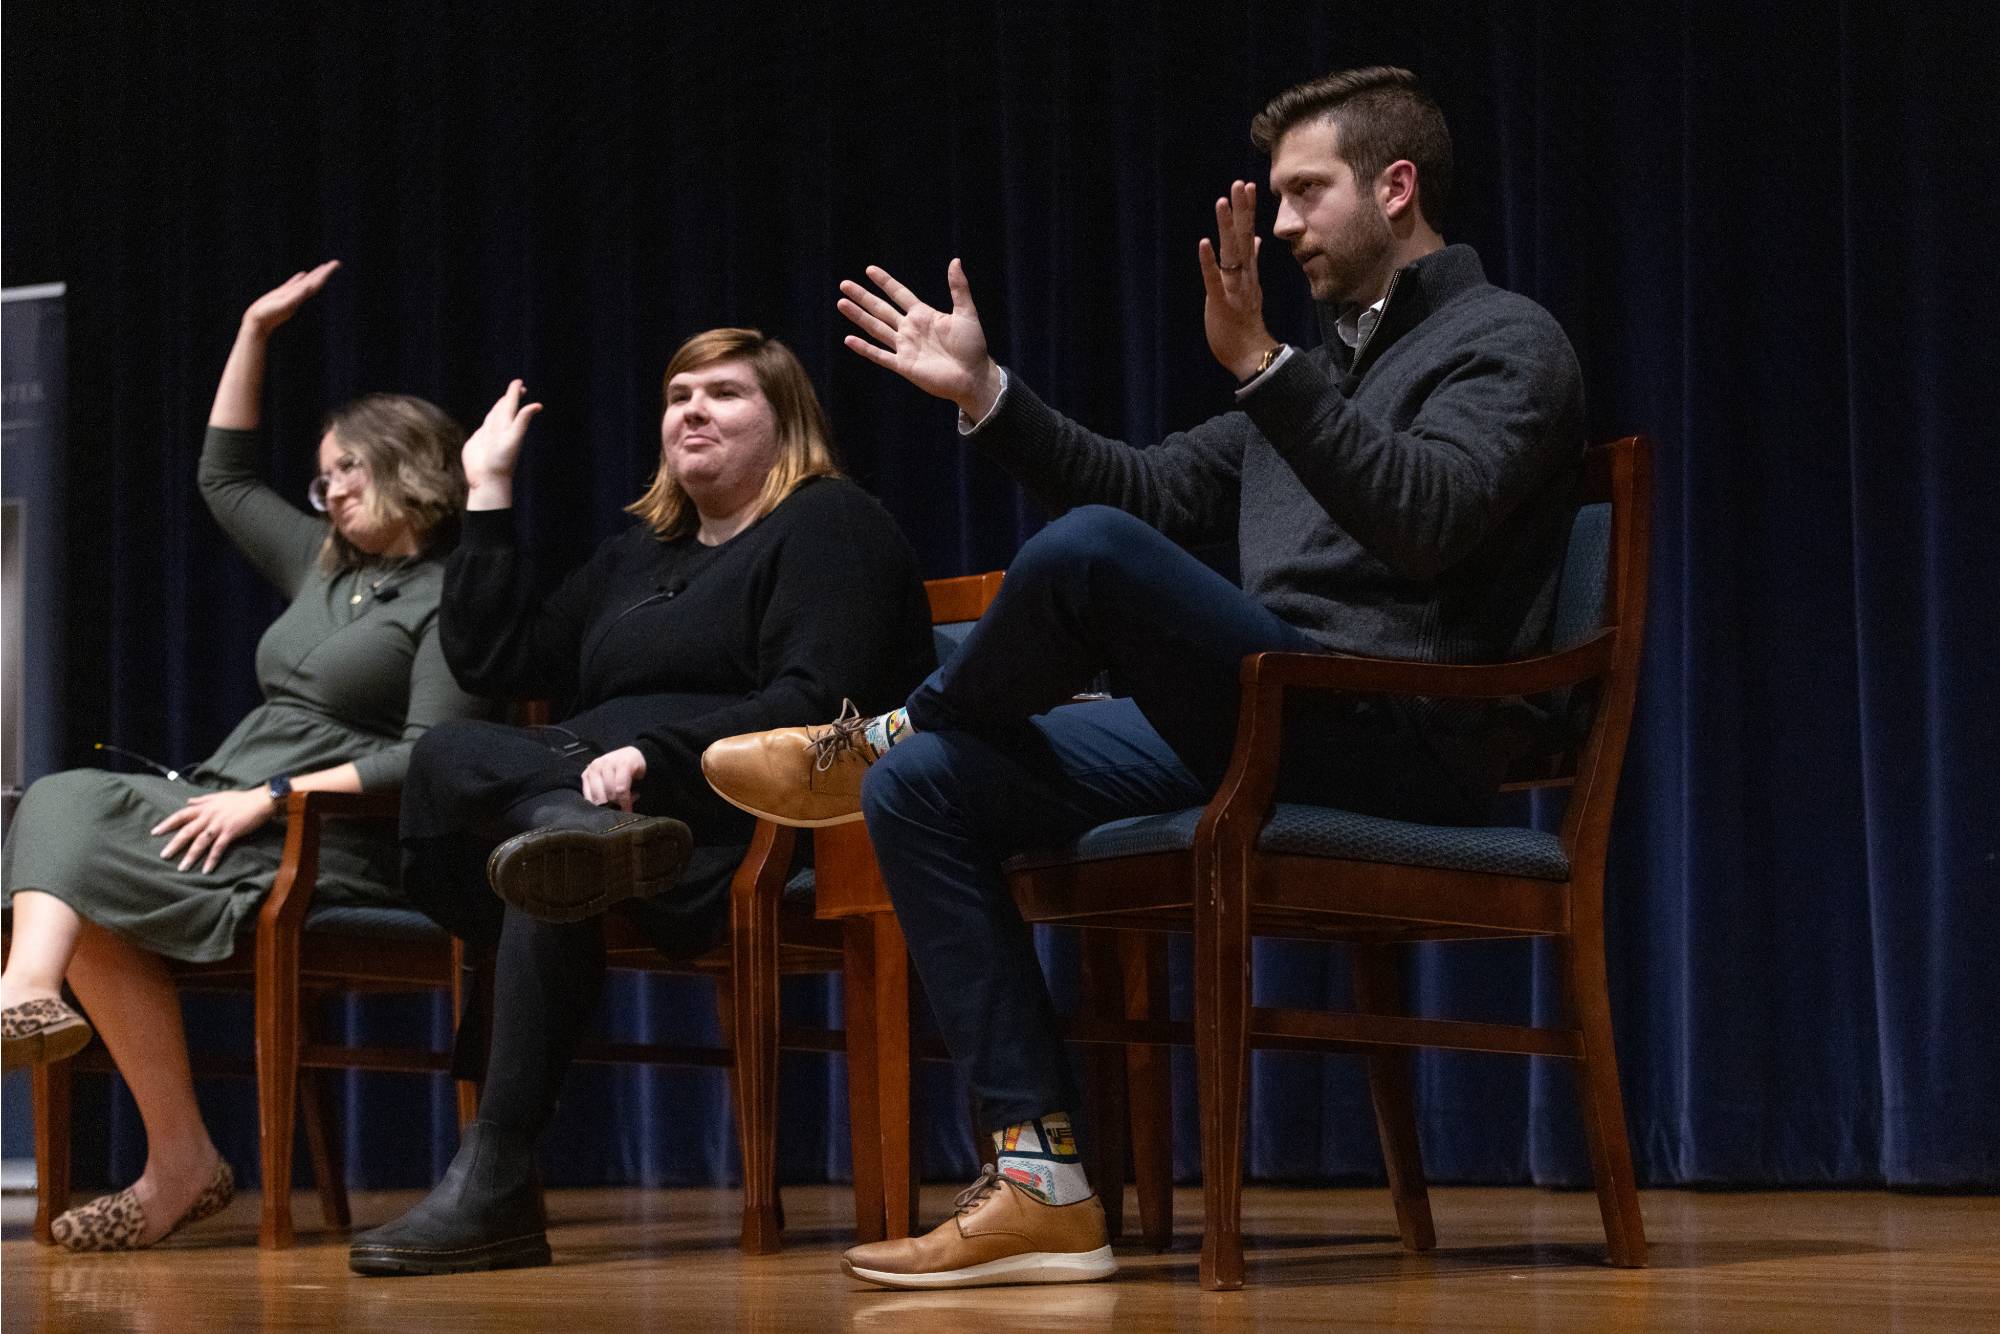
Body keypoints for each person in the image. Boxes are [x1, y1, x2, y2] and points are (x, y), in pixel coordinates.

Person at [701, 66, 1586, 1289]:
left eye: (1305, 192)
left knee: (1084, 563)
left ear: (1396, 187)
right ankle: (1041, 1183)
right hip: (1264, 715)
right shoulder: (1317, 372)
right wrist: (986, 394)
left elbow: (1426, 520)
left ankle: (890, 726)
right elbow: (1146, 487)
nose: (1279, 225)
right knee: (925, 787)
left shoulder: (1507, 342)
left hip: (1402, 734)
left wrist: (1264, 366)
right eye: (1276, 196)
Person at [347, 327, 935, 1276]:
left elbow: (821, 701)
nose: (693, 410)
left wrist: (652, 758)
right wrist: (486, 492)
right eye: (678, 396)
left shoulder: (831, 524)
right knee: (459, 762)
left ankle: (496, 1183)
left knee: (545, 870)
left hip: (731, 820)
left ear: (785, 422)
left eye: (725, 394)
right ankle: (571, 833)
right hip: (601, 809)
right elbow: (497, 661)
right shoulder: (639, 555)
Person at [0, 261, 484, 1251]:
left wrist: (275, 793)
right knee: (65, 810)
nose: (330, 490)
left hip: (329, 836)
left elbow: (433, 755)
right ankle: (110, 1080)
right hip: (223, 809)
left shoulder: (457, 599)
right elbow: (223, 477)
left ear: (411, 470)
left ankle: (77, 1052)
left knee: (73, 827)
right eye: (323, 476)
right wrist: (253, 332)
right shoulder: (325, 565)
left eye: (347, 470)